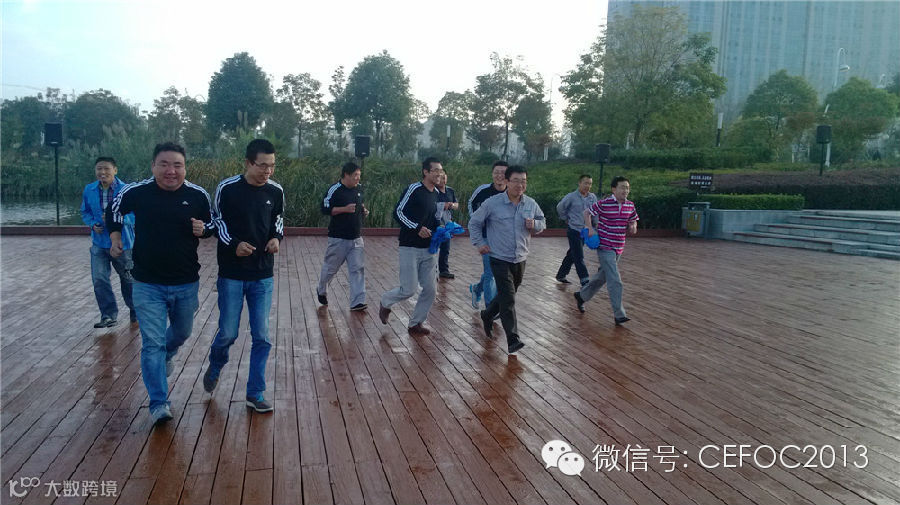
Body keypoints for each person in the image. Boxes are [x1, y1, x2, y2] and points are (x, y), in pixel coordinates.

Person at [107, 142, 213, 425]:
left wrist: (204, 229)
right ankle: (158, 403)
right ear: (153, 166)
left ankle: (169, 353)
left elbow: (213, 224)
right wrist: (115, 237)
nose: (171, 170)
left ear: (185, 168)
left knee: (182, 332)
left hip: (186, 282)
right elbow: (113, 211)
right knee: (152, 344)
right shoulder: (136, 192)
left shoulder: (197, 195)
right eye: (164, 164)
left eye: (177, 165)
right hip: (147, 283)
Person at [201, 139, 284, 414]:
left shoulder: (276, 190)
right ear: (248, 163)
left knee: (262, 335)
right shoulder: (227, 188)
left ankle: (255, 393)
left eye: (272, 166)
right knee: (228, 332)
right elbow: (217, 222)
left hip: (262, 274)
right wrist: (234, 244)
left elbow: (278, 220)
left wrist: (276, 238)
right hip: (232, 274)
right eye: (262, 165)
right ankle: (216, 364)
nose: (267, 171)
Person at [468, 165, 546, 355]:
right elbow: (474, 223)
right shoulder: (492, 203)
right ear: (507, 182)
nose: (520, 185)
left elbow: (542, 223)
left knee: (506, 294)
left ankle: (487, 314)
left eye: (523, 181)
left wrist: (535, 224)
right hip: (498, 257)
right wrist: (480, 243)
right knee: (509, 297)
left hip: (520, 258)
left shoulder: (530, 204)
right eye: (516, 181)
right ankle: (513, 339)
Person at [379, 157, 442, 335]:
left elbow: (435, 218)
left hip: (429, 249)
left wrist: (442, 229)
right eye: (435, 170)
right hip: (409, 247)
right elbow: (398, 212)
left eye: (441, 171)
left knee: (430, 289)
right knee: (409, 289)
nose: (439, 174)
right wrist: (417, 228)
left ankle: (416, 323)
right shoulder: (414, 189)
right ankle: (385, 301)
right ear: (425, 172)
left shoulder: (436, 193)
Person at [574, 176, 639, 325]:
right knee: (615, 279)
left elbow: (633, 219)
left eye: (627, 188)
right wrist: (590, 228)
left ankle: (581, 296)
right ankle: (619, 314)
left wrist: (633, 226)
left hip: (619, 247)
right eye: (622, 187)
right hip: (605, 246)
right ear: (614, 189)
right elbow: (587, 212)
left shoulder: (630, 205)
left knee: (602, 276)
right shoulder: (604, 203)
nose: (625, 190)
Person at [81, 156, 136, 328]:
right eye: (99, 169)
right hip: (99, 243)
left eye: (106, 168)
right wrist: (92, 224)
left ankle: (136, 310)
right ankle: (108, 315)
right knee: (99, 279)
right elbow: (85, 212)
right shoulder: (89, 189)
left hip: (123, 243)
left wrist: (118, 219)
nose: (102, 172)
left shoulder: (126, 190)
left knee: (128, 279)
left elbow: (136, 214)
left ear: (115, 170)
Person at [316, 161, 368, 311]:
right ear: (346, 175)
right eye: (355, 175)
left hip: (356, 238)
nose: (358, 178)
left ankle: (357, 301)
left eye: (359, 175)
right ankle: (321, 290)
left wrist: (363, 210)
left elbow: (360, 204)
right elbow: (324, 209)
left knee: (357, 269)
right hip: (338, 238)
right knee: (330, 269)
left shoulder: (358, 189)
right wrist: (344, 209)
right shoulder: (335, 189)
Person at [467, 160, 508, 309]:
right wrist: (477, 219)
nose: (499, 176)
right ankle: (490, 309)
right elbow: (471, 203)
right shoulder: (483, 190)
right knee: (491, 273)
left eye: (503, 173)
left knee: (497, 272)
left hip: (504, 239)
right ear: (492, 174)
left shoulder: (512, 192)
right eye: (496, 172)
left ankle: (477, 289)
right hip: (486, 237)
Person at [555, 175, 598, 286]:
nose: (587, 186)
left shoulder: (592, 197)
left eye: (590, 183)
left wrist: (596, 224)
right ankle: (585, 280)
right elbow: (560, 207)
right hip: (574, 230)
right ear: (579, 183)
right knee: (579, 255)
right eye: (585, 183)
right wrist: (565, 218)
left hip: (585, 231)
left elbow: (595, 212)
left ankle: (561, 275)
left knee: (572, 253)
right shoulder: (571, 197)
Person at [434, 172, 458, 279]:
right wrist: (442, 205)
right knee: (435, 247)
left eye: (444, 178)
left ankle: (444, 270)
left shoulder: (450, 190)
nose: (443, 180)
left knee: (446, 247)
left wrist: (451, 205)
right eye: (441, 178)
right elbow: (431, 206)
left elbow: (456, 204)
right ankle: (433, 270)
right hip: (436, 222)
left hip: (447, 222)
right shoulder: (434, 191)